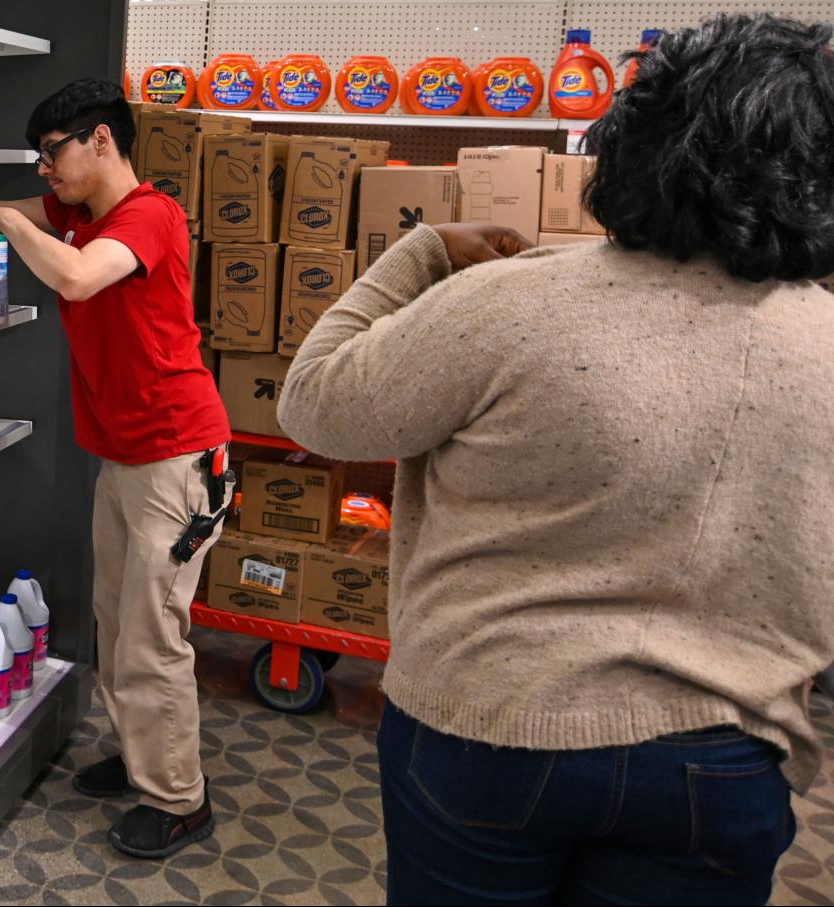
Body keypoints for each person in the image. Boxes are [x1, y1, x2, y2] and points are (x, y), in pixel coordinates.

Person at [277, 14, 834, 906]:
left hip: (488, 725)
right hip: (726, 752)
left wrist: (418, 251)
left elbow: (315, 402)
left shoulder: (510, 303)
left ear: (630, 146)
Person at [0, 79, 230, 859]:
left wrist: (1, 218)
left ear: (102, 139)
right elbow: (27, 224)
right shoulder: (82, 215)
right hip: (128, 456)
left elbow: (75, 276)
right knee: (115, 616)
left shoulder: (149, 217)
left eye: (52, 153)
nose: (44, 172)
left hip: (175, 457)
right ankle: (143, 758)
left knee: (150, 637)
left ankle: (179, 799)